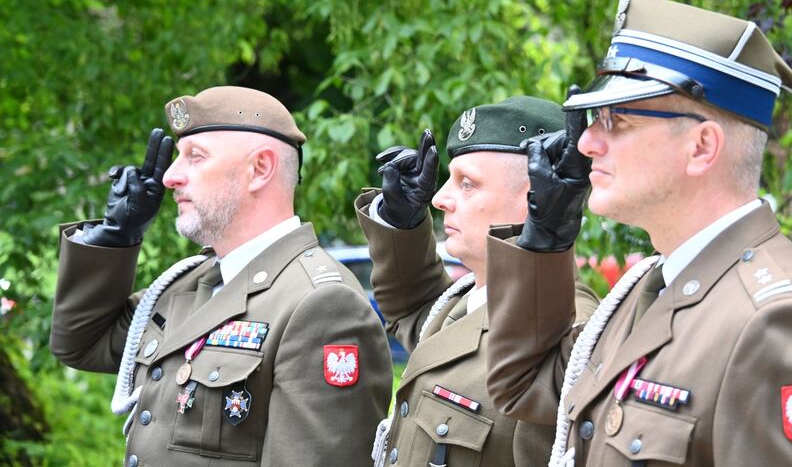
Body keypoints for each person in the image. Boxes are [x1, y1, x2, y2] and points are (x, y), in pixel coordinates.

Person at [485, 0, 792, 466]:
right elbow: (526, 386)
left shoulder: (776, 328)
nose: (585, 141)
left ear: (701, 147)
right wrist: (544, 241)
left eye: (615, 119)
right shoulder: (649, 287)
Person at [51, 86, 393, 466]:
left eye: (195, 157)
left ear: (259, 169)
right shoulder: (190, 283)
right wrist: (116, 237)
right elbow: (80, 344)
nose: (169, 177)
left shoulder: (322, 304)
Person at [355, 96, 599, 467]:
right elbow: (417, 313)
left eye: (467, 184)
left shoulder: (568, 330)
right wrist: (400, 227)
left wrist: (544, 242)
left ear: (537, 196)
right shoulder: (465, 299)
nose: (439, 199)